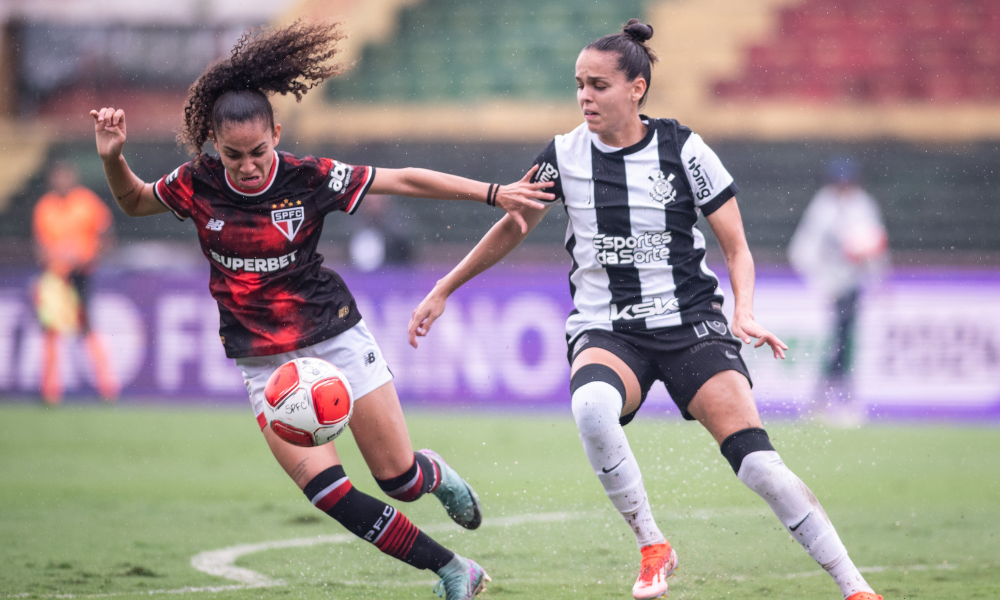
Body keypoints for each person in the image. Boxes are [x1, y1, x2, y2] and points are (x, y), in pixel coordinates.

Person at [408, 20, 882, 600]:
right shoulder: (562, 155)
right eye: (579, 84)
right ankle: (653, 544)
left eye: (599, 85)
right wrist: (445, 287)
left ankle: (855, 586)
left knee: (759, 467)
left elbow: (735, 244)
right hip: (610, 329)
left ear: (636, 88)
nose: (585, 96)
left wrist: (746, 310)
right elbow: (514, 225)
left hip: (690, 324)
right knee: (591, 406)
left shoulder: (684, 148)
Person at [89, 21, 552, 600]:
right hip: (265, 364)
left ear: (276, 134)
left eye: (258, 151)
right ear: (213, 144)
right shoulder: (197, 183)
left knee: (398, 479)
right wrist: (114, 158)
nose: (249, 165)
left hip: (332, 338)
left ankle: (430, 473)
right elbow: (133, 201)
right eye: (233, 155)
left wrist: (493, 193)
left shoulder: (309, 178)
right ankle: (455, 569)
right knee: (329, 492)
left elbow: (401, 179)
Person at [788, 157, 889, 424]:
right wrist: (820, 283)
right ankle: (820, 400)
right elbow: (803, 250)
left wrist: (878, 279)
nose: (844, 189)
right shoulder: (823, 207)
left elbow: (874, 246)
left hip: (852, 285)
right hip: (828, 286)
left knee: (847, 342)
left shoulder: (863, 205)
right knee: (832, 343)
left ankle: (842, 399)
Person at [32, 161, 119, 404]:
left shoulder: (87, 203)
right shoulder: (44, 207)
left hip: (81, 274)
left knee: (87, 327)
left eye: (64, 176)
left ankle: (107, 388)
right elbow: (39, 246)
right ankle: (50, 392)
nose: (61, 181)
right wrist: (54, 257)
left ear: (72, 177)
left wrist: (87, 258)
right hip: (54, 279)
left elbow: (106, 237)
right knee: (50, 330)